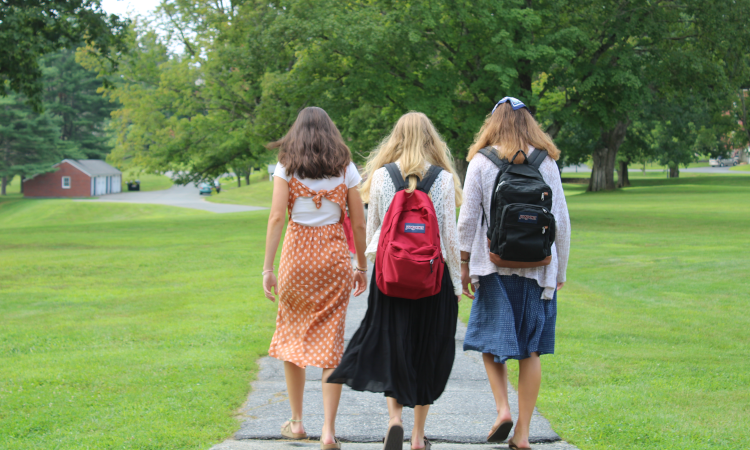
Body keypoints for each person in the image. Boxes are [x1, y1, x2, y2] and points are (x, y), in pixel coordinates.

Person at [328, 112, 463, 450]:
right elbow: (449, 240)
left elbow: (372, 234)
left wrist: (370, 266)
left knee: (395, 347)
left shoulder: (382, 177)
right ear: (432, 140)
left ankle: (394, 421)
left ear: (396, 138)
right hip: (433, 280)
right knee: (427, 352)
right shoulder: (444, 180)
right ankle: (418, 438)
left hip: (390, 280)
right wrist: (457, 286)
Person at [456, 97, 571, 450]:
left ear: (493, 123)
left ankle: (503, 409)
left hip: (493, 267)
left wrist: (463, 265)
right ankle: (522, 433)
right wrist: (560, 269)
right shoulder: (546, 161)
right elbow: (562, 221)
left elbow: (468, 220)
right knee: (530, 351)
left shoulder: (482, 161)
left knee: (490, 342)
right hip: (538, 270)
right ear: (529, 123)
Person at [262, 106, 368, 450]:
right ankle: (328, 430)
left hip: (296, 258)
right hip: (333, 258)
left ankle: (296, 423)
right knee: (330, 343)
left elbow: (278, 216)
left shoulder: (286, 164)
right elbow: (359, 221)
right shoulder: (345, 165)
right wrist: (362, 266)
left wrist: (267, 267)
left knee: (292, 337)